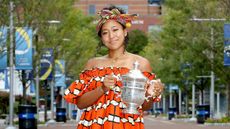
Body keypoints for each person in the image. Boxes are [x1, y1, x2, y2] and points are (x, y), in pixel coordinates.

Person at [64, 5, 164, 129]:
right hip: (94, 125)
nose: (111, 36)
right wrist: (102, 88)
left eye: (115, 30)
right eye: (105, 33)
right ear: (101, 38)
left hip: (128, 125)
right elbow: (80, 104)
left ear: (125, 31)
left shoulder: (141, 64)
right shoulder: (93, 64)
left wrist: (152, 93)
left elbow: (144, 106)